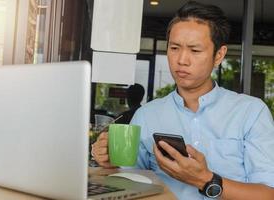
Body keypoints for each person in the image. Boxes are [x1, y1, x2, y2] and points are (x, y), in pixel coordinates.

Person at [91, 1, 274, 199]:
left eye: (195, 50)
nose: (181, 60)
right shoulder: (146, 116)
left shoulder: (251, 112)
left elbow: (268, 193)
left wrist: (204, 179)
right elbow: (130, 182)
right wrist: (110, 161)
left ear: (219, 55)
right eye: (175, 47)